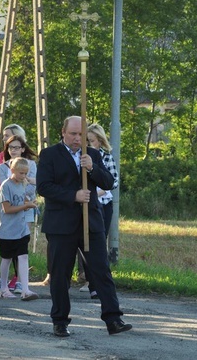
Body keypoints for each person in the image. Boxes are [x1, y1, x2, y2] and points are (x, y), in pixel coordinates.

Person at [37, 116, 131, 337]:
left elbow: (108, 183)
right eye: (73, 134)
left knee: (101, 271)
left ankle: (113, 319)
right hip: (61, 225)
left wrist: (92, 169)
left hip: (91, 223)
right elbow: (44, 187)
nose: (77, 139)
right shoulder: (50, 155)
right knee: (60, 275)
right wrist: (74, 195)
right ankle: (60, 321)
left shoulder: (93, 154)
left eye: (81, 134)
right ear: (63, 132)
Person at [80, 123, 120, 295]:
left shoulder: (106, 156)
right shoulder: (81, 157)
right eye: (87, 141)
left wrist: (96, 192)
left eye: (92, 141)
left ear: (100, 141)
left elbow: (114, 181)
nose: (89, 145)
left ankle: (100, 283)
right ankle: (91, 283)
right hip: (85, 203)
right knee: (85, 242)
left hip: (103, 204)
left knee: (99, 242)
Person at [0, 135, 37, 294]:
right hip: (7, 229)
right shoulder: (6, 186)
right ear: (11, 170)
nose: (24, 176)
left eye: (26, 173)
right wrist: (25, 205)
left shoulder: (22, 183)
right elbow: (7, 209)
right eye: (21, 173)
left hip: (21, 229)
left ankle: (25, 289)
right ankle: (4, 287)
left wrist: (30, 204)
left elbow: (25, 198)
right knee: (6, 259)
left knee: (23, 257)